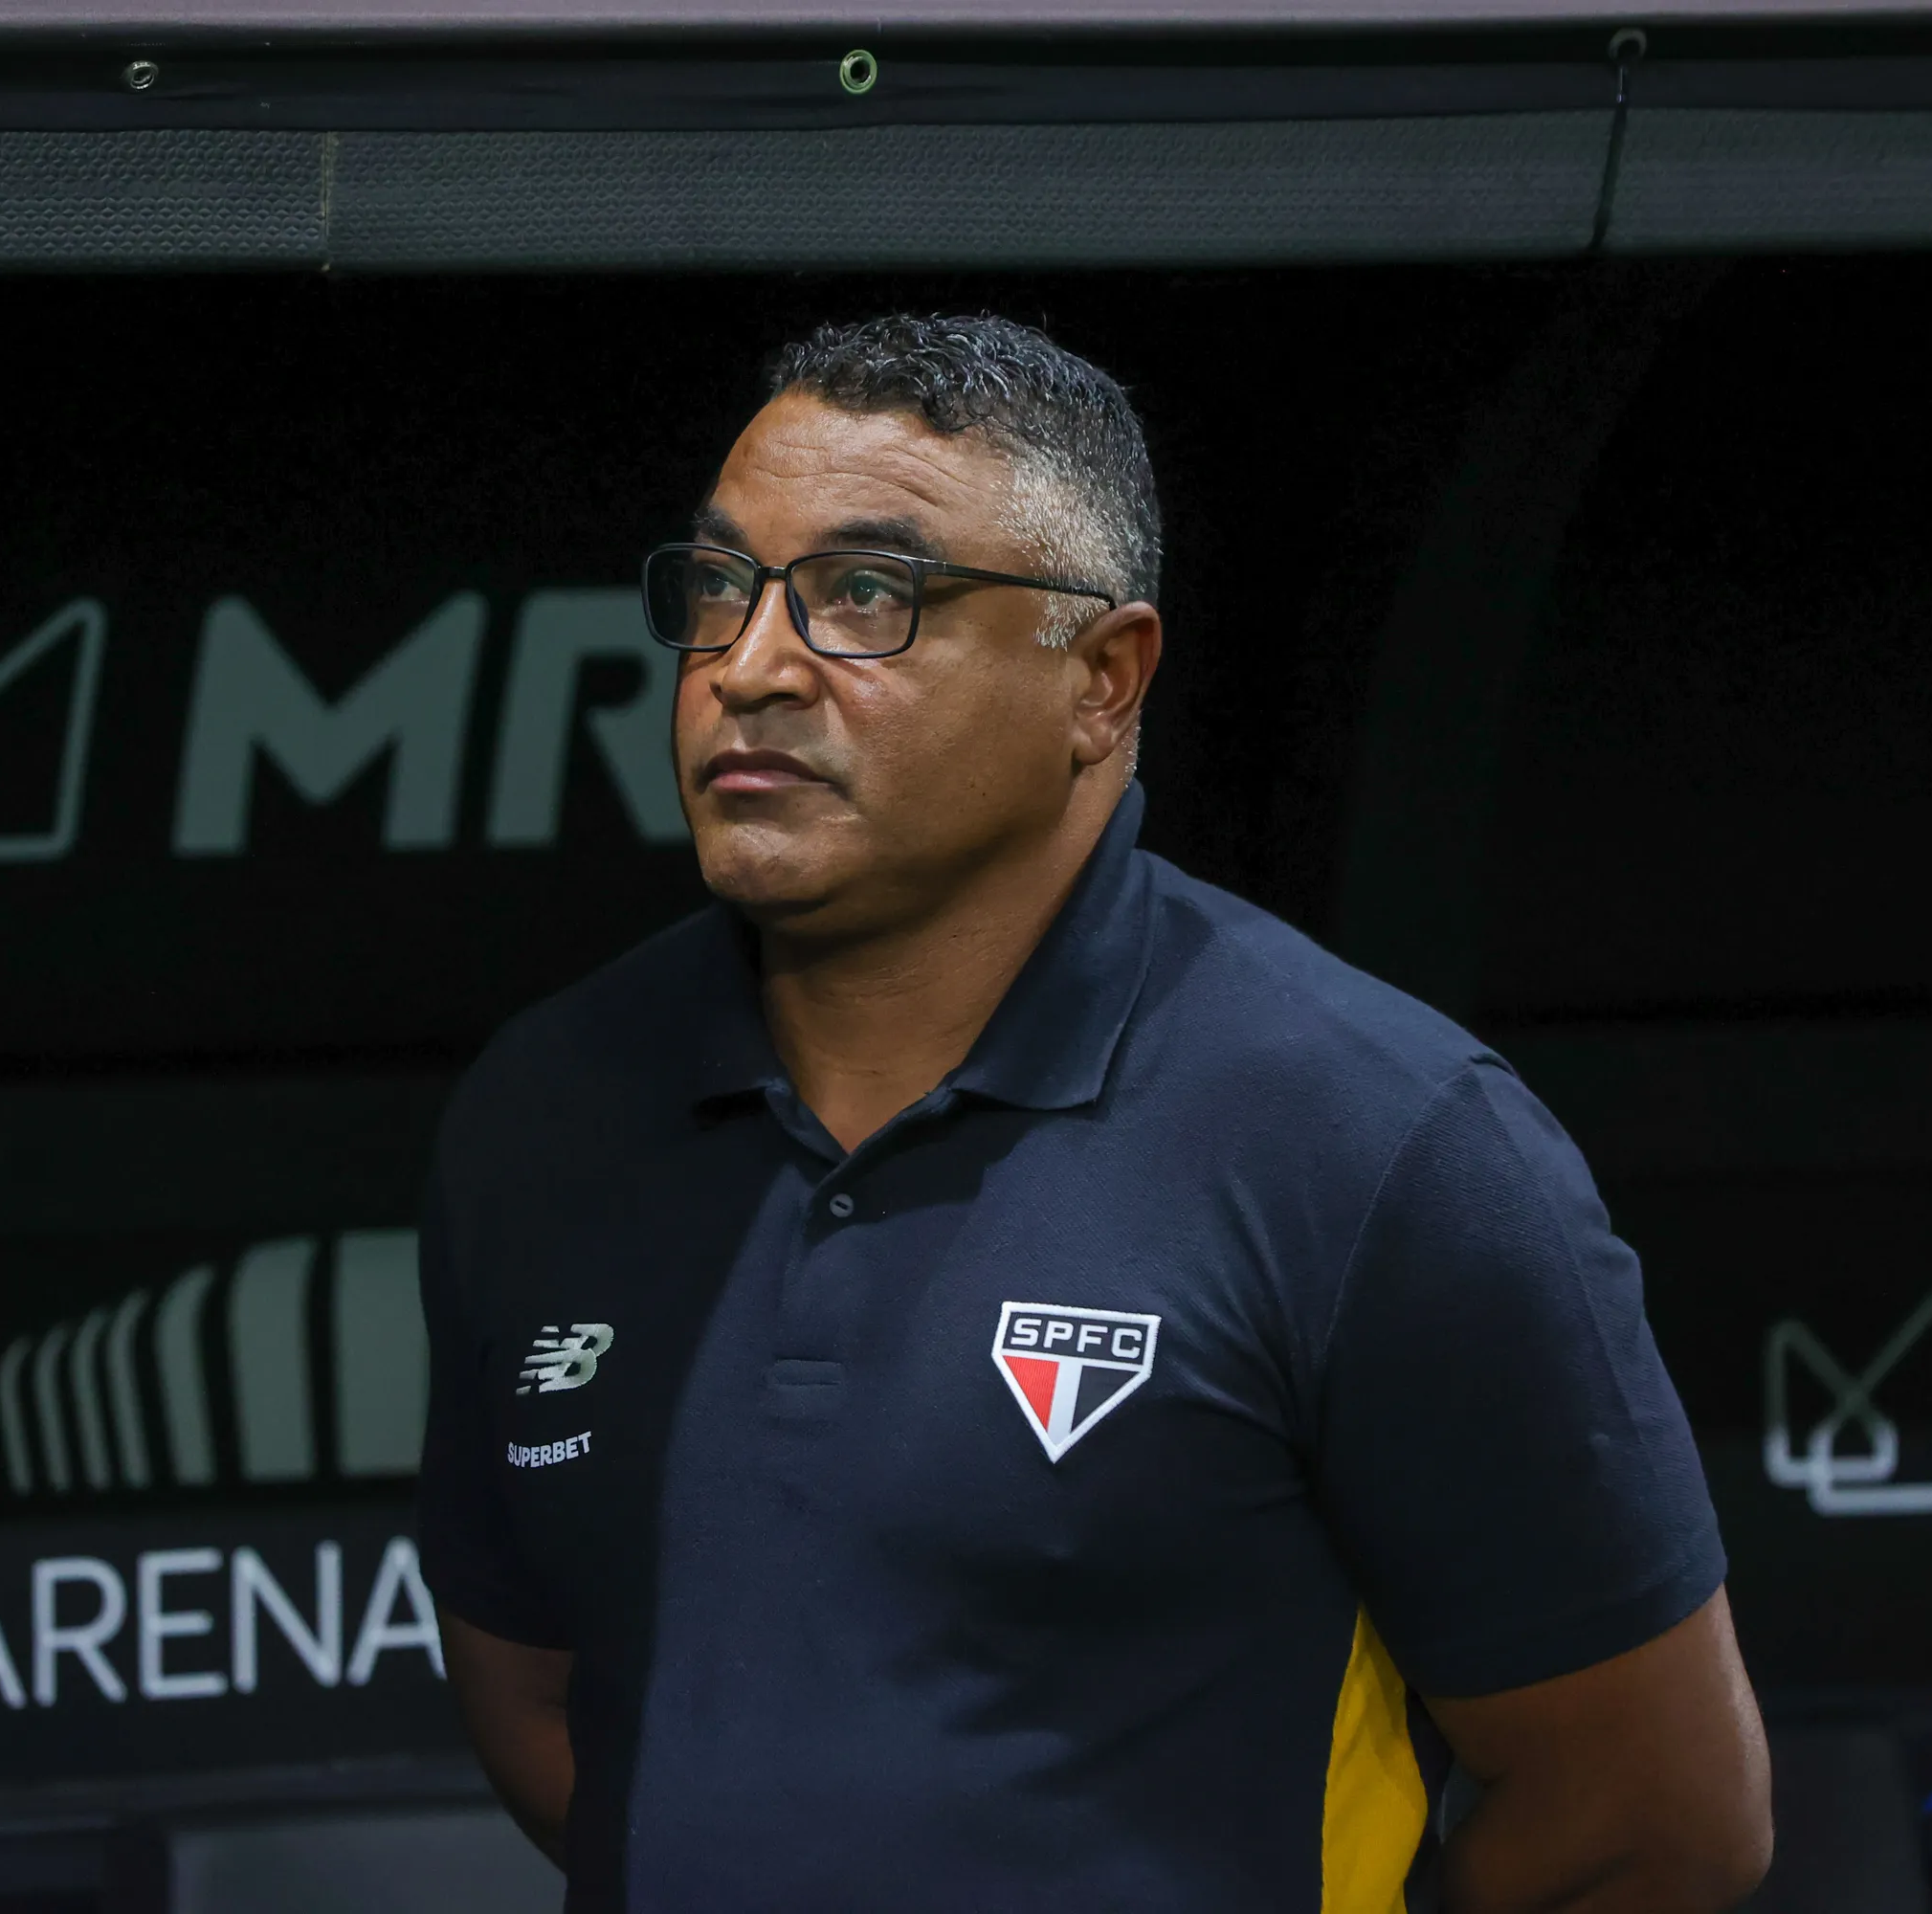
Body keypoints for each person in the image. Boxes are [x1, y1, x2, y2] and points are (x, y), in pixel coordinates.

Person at [417, 313, 1771, 1911]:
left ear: (1103, 682)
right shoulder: (547, 1107)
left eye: (867, 596)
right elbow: (552, 1719)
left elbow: (1656, 1820)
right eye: (723, 587)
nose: (751, 668)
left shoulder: (1378, 1142)